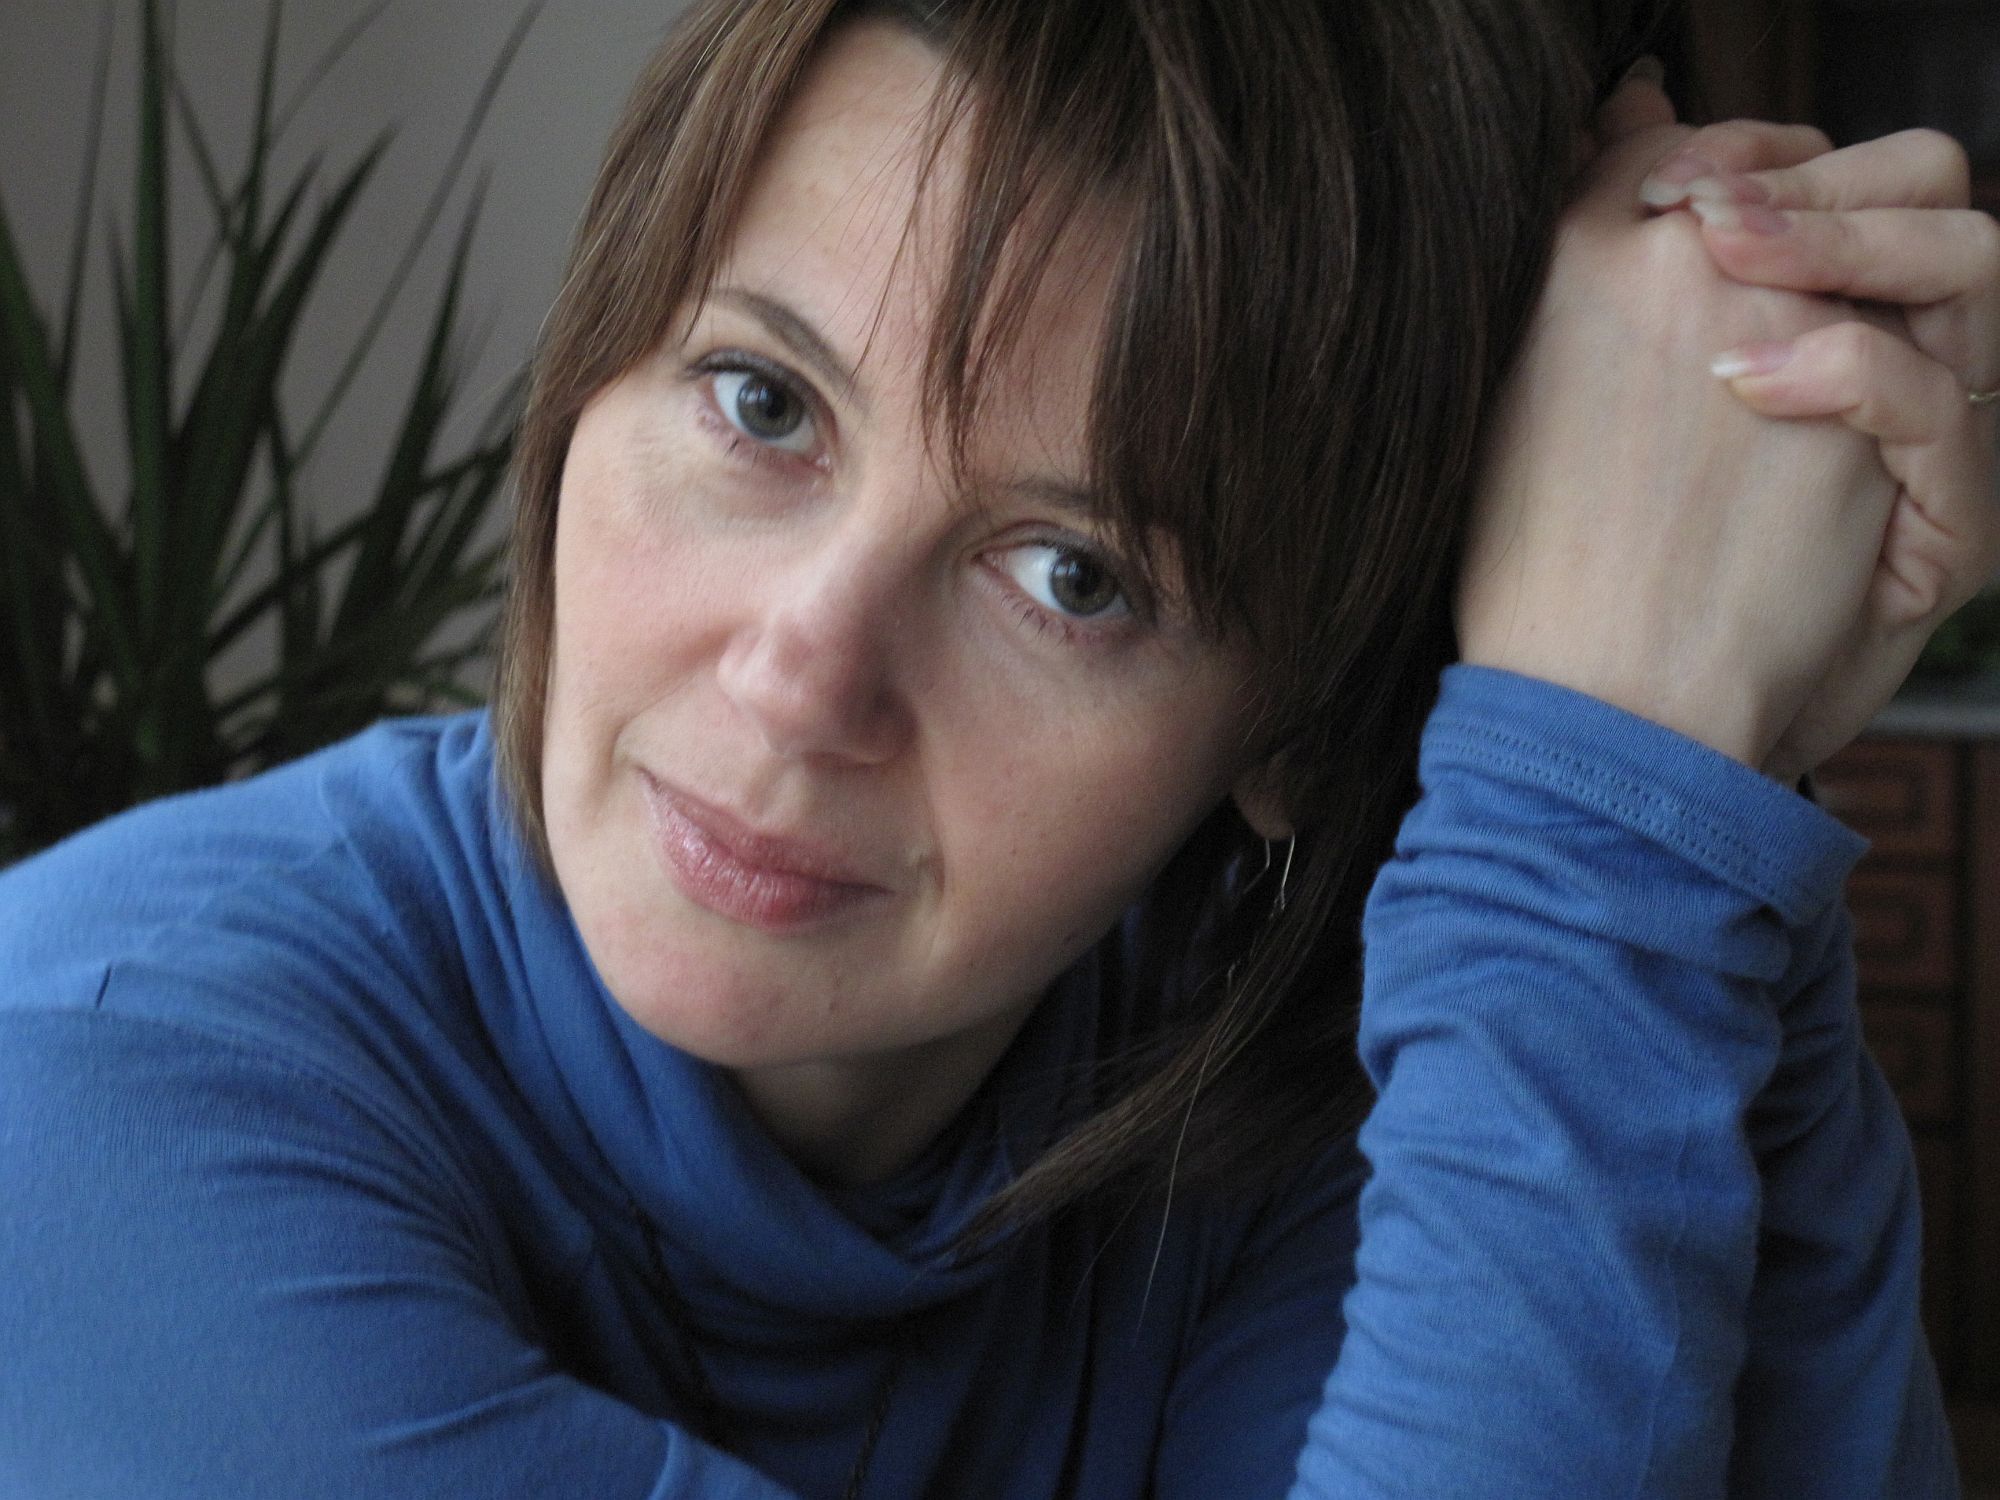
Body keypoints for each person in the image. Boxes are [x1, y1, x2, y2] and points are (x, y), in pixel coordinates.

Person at [1, 0, 1994, 1494]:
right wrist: (1614, 816)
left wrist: (1688, 737)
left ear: (1296, 728)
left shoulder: (1297, 1093)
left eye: (1074, 576)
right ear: (589, 370)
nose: (800, 677)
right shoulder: (87, 1087)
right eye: (761, 402)